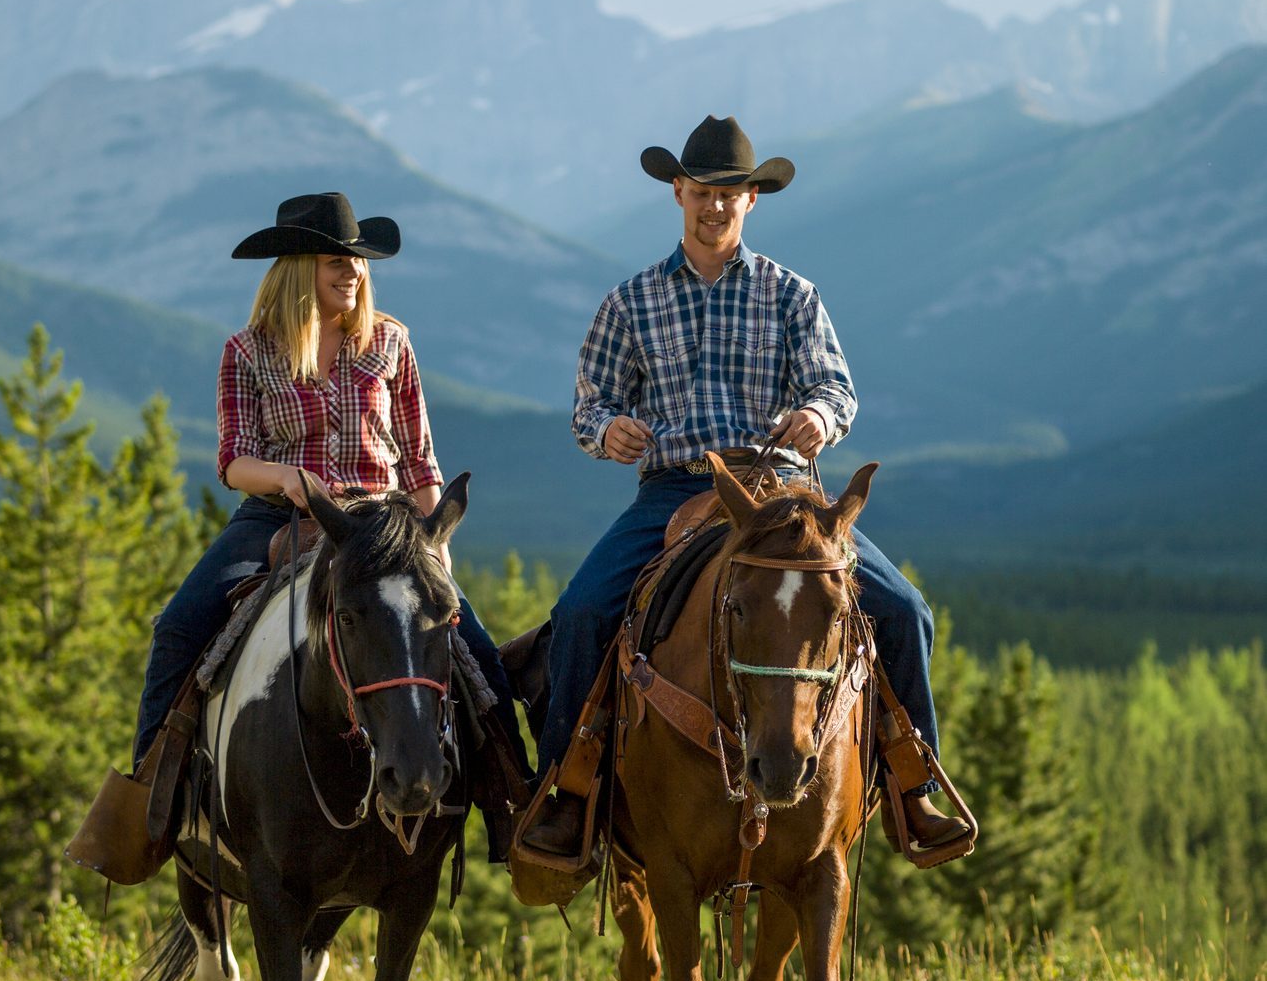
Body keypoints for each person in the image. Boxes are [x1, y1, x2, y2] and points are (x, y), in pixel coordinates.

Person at [522, 117, 972, 859]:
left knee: (904, 610)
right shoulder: (630, 302)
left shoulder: (791, 295)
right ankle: (565, 792)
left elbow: (835, 388)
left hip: (780, 493)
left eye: (729, 193)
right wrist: (608, 431)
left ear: (752, 200)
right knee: (580, 613)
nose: (715, 206)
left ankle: (911, 783)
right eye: (702, 191)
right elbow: (589, 405)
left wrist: (817, 417)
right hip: (673, 491)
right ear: (678, 192)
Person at [132, 190, 523, 778]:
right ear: (298, 269)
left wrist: (435, 543)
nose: (354, 272)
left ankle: (516, 797)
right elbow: (234, 461)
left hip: (384, 525)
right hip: (276, 516)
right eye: (337, 260)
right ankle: (147, 789)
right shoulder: (248, 351)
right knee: (180, 628)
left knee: (476, 652)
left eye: (358, 261)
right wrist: (287, 476)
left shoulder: (390, 341)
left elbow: (419, 459)